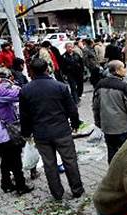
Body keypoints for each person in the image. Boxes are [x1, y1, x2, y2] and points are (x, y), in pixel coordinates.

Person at [19, 58, 84, 201]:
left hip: (41, 133)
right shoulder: (60, 86)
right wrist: (75, 124)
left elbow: (24, 116)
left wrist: (26, 133)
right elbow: (72, 109)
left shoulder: (25, 90)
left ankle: (57, 193)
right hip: (61, 130)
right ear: (47, 69)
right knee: (70, 161)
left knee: (49, 165)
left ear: (31, 72)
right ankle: (77, 189)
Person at [93, 60, 127, 164]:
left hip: (107, 126)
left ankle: (113, 173)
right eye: (123, 67)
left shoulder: (100, 85)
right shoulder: (123, 86)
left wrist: (98, 122)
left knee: (112, 151)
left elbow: (96, 107)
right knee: (125, 151)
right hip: (123, 126)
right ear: (117, 70)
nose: (125, 70)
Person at [0, 68, 33, 194]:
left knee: (5, 158)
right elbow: (17, 95)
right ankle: (20, 186)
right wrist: (13, 86)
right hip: (5, 131)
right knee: (15, 157)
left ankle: (6, 183)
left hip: (1, 132)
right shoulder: (0, 90)